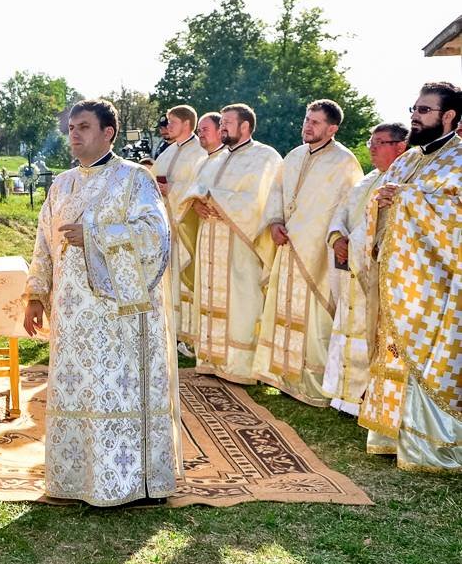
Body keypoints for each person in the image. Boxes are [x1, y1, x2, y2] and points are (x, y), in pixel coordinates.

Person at [24, 99, 180, 506]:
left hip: (118, 317)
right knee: (78, 392)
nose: (74, 135)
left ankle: (133, 484)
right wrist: (36, 293)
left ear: (108, 133)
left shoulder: (134, 179)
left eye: (84, 127)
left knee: (116, 390)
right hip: (72, 313)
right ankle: (76, 481)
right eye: (71, 128)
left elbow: (156, 235)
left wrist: (94, 235)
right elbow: (44, 242)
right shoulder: (61, 184)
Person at [362, 82, 461, 471]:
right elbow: (382, 203)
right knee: (393, 354)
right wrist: (382, 203)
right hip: (398, 280)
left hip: (438, 286)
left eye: (424, 110)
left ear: (448, 116)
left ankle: (431, 445)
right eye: (414, 109)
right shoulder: (406, 160)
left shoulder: (458, 160)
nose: (415, 117)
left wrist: (406, 199)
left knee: (427, 358)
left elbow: (455, 218)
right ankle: (391, 434)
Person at [253, 100, 363, 406]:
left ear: (332, 128)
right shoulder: (294, 155)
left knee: (314, 319)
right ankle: (283, 377)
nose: (307, 126)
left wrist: (315, 236)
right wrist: (275, 222)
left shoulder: (344, 162)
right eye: (306, 120)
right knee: (283, 310)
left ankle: (314, 385)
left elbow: (346, 208)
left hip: (317, 255)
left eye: (315, 122)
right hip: (288, 247)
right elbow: (277, 194)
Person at [179, 104, 282, 384]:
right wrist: (196, 204)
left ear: (245, 126)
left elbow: (260, 200)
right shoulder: (216, 159)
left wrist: (216, 199)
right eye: (221, 123)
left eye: (227, 123)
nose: (222, 127)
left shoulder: (264, 157)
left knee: (241, 299)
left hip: (239, 242)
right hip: (210, 239)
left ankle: (240, 366)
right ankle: (211, 359)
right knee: (209, 295)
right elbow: (196, 190)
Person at [321, 123, 408, 415]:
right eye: (371, 142)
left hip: (374, 270)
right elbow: (342, 213)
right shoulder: (367, 180)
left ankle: (363, 400)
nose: (372, 148)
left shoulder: (403, 181)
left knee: (368, 333)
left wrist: (354, 244)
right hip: (351, 267)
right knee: (347, 329)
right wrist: (337, 238)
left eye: (380, 142)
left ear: (400, 147)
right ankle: (342, 396)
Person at [152, 105, 209, 352]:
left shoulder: (200, 152)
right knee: (168, 277)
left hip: (186, 225)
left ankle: (186, 333)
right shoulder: (168, 151)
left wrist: (172, 189)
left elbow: (200, 187)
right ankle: (169, 329)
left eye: (172, 122)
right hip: (165, 223)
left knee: (183, 276)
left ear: (186, 124)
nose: (168, 126)